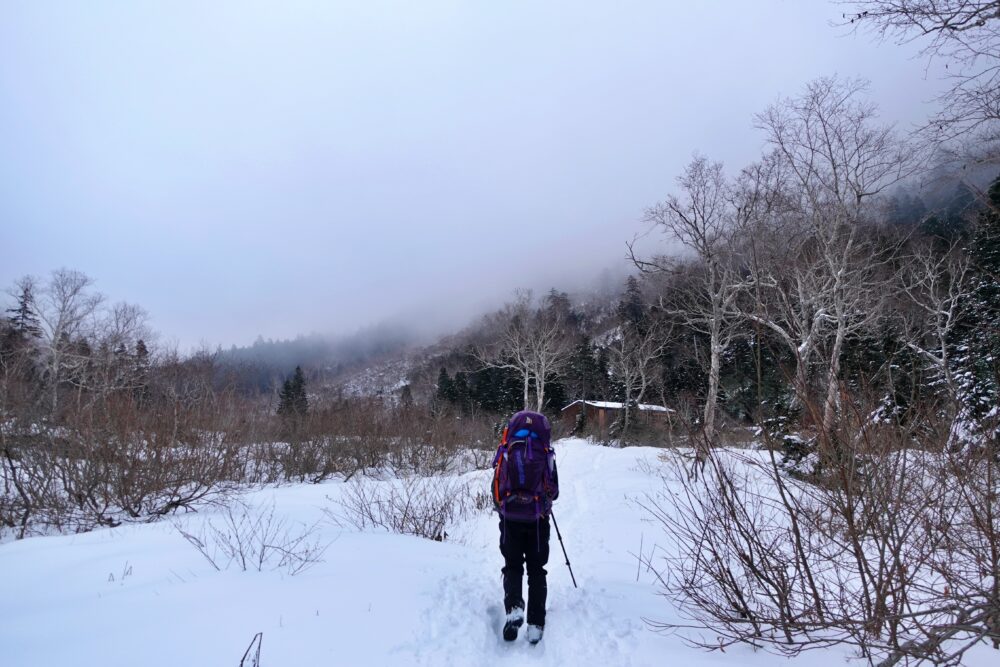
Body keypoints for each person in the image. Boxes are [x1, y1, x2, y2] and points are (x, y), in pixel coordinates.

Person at [490, 410, 559, 644]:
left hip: (510, 518)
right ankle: (535, 625)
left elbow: (496, 489)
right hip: (538, 520)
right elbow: (554, 491)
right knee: (537, 571)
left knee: (512, 566)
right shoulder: (547, 454)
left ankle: (514, 608)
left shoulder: (507, 450)